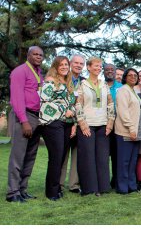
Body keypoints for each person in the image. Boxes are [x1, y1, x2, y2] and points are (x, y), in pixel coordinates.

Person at [6, 46, 44, 203]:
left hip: (37, 118)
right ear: (28, 55)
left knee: (30, 156)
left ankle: (22, 189)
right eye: (35, 54)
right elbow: (16, 97)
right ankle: (12, 192)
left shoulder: (39, 73)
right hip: (24, 117)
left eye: (41, 55)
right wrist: (24, 121)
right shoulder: (20, 71)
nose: (38, 57)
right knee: (18, 156)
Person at [75, 57, 115, 196]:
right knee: (88, 157)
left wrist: (110, 123)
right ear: (89, 67)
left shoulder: (104, 84)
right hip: (87, 125)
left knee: (102, 158)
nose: (99, 68)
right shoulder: (83, 84)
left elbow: (110, 104)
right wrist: (82, 124)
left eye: (100, 66)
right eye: (96, 66)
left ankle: (103, 187)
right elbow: (78, 104)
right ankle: (89, 189)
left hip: (103, 125)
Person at [39, 56, 77, 201]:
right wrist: (63, 110)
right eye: (61, 64)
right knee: (55, 157)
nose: (64, 67)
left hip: (67, 123)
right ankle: (51, 192)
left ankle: (56, 188)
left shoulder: (68, 83)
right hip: (53, 123)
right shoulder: (50, 81)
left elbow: (72, 103)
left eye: (66, 64)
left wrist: (73, 121)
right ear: (55, 66)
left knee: (61, 157)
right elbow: (44, 101)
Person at [114, 68, 141, 194]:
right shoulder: (122, 90)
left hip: (135, 132)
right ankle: (122, 187)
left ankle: (131, 186)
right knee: (124, 161)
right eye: (130, 75)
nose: (133, 77)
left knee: (132, 161)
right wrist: (131, 128)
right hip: (126, 132)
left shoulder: (133, 91)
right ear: (125, 77)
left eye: (135, 75)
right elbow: (123, 111)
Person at [60, 54, 85, 194]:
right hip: (65, 122)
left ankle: (74, 184)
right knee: (62, 154)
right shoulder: (63, 79)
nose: (78, 65)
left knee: (77, 155)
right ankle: (59, 183)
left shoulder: (84, 82)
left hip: (79, 122)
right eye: (76, 62)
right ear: (70, 63)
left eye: (81, 63)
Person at [103, 63, 123, 189]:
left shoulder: (121, 87)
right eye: (107, 70)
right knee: (103, 155)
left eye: (112, 70)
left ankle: (115, 181)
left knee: (116, 155)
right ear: (103, 72)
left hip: (118, 126)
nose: (110, 71)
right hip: (102, 124)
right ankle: (103, 182)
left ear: (116, 72)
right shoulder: (100, 86)